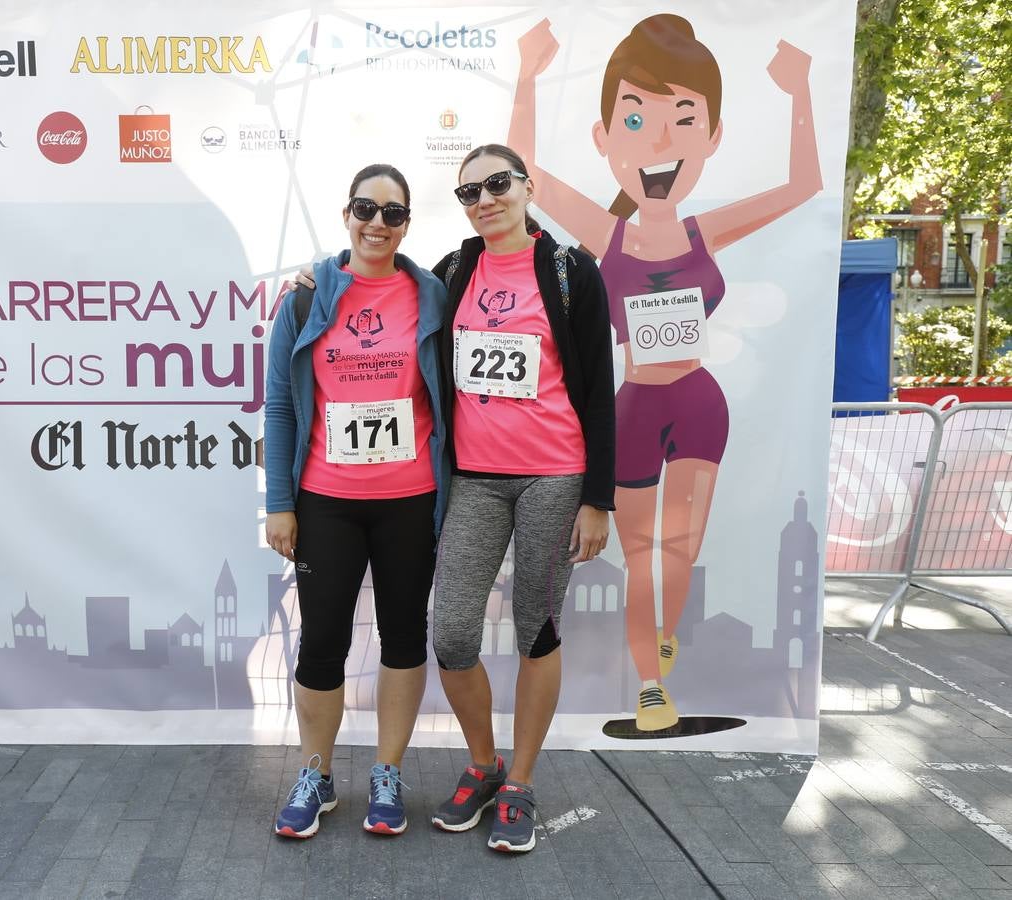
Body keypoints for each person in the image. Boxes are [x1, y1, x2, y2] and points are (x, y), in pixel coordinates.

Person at [509, 15, 821, 731]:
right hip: (635, 413)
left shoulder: (705, 232)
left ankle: (662, 634)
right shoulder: (604, 232)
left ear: (711, 137)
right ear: (604, 138)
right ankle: (652, 684)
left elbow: (804, 183)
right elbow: (523, 170)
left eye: (684, 120)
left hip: (701, 405)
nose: (659, 140)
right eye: (636, 117)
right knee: (640, 552)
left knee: (680, 553)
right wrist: (527, 74)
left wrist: (801, 91)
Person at [429, 143, 615, 852]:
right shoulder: (453, 271)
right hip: (474, 479)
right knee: (451, 634)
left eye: (497, 184)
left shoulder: (571, 272)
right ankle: (483, 764)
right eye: (469, 191)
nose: (484, 200)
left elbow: (599, 392)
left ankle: (521, 783)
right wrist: (310, 283)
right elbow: (378, 292)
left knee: (537, 627)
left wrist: (598, 499)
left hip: (553, 477)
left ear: (527, 186)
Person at [264, 163, 450, 839]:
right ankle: (316, 775)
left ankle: (387, 773)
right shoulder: (308, 295)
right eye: (365, 209)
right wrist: (278, 502)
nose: (377, 222)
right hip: (326, 501)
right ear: (346, 214)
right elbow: (282, 402)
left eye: (393, 213)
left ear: (407, 223)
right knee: (321, 642)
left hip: (410, 501)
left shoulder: (432, 293)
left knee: (404, 638)